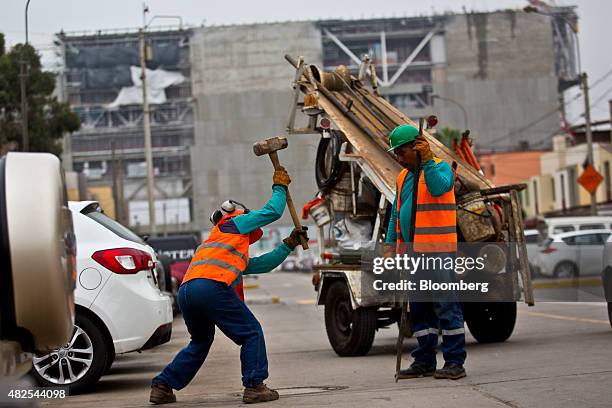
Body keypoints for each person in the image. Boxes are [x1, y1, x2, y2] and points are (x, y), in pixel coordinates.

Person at [150, 167, 308, 404]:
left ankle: (163, 385)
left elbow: (262, 264)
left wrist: (287, 245)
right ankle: (255, 386)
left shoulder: (220, 242)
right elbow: (273, 211)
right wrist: (280, 186)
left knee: (201, 341)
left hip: (187, 291)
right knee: (251, 331)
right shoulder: (234, 223)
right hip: (209, 288)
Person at [385, 124, 467, 380]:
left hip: (438, 252)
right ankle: (424, 360)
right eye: (396, 154)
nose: (399, 158)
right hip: (412, 255)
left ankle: (455, 362)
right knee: (419, 309)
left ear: (418, 148)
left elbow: (439, 188)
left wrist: (429, 161)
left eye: (402, 152)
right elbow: (396, 213)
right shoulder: (401, 177)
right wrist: (389, 245)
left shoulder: (441, 167)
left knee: (446, 306)